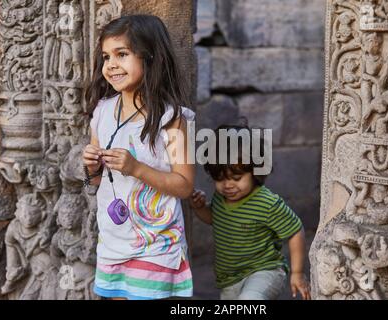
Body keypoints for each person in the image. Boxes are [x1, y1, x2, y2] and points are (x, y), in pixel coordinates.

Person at [82, 15, 195, 300]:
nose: (111, 65)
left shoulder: (172, 119)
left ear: (151, 57)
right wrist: (91, 167)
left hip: (155, 244)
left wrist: (136, 168)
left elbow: (184, 186)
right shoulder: (102, 113)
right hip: (113, 241)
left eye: (122, 54)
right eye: (106, 56)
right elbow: (97, 182)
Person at [190, 124, 311, 300]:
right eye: (220, 179)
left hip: (265, 271)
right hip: (230, 279)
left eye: (236, 178)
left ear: (256, 170)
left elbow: (295, 230)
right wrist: (199, 207)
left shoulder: (267, 202)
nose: (228, 185)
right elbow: (213, 218)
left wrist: (298, 272)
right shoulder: (220, 198)